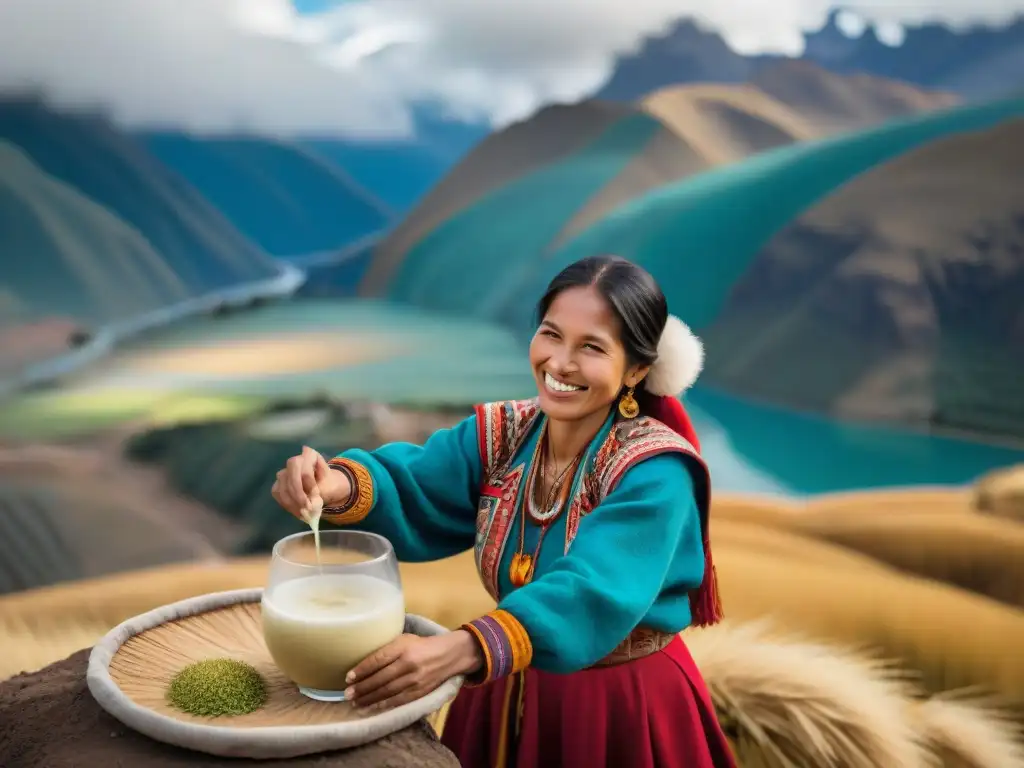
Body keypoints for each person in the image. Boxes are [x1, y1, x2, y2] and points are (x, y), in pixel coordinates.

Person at [272, 255, 736, 768]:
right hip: (499, 676)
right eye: (551, 334)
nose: (560, 363)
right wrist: (334, 484)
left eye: (592, 348)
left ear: (638, 370)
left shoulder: (656, 473)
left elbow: (594, 589)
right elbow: (421, 481)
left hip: (617, 705)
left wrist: (461, 649)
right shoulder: (507, 432)